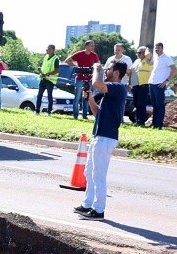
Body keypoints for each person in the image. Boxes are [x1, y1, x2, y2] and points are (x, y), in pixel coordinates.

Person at [73, 62, 129, 221]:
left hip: (106, 138)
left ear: (116, 73)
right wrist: (90, 98)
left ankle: (98, 210)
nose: (106, 71)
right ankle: (87, 204)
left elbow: (97, 83)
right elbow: (98, 113)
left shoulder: (118, 88)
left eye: (109, 69)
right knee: (89, 172)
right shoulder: (110, 92)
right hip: (99, 136)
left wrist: (97, 68)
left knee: (98, 175)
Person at [67, 41, 100, 120]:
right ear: (86, 46)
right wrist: (77, 67)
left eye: (93, 45)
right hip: (79, 78)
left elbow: (98, 64)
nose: (93, 47)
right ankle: (75, 115)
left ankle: (85, 116)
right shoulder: (79, 53)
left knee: (87, 97)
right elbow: (68, 60)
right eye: (91, 45)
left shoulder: (94, 55)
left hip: (89, 78)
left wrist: (95, 68)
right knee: (77, 96)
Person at [149, 42, 176, 129]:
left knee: (160, 105)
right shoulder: (155, 58)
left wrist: (166, 81)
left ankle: (159, 124)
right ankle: (154, 123)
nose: (157, 49)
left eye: (158, 48)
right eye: (155, 48)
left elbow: (174, 70)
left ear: (162, 48)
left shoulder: (167, 58)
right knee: (154, 105)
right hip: (152, 83)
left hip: (160, 84)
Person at [130, 46, 156, 126]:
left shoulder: (148, 60)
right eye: (137, 52)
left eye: (139, 52)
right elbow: (130, 71)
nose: (137, 54)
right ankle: (138, 120)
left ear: (144, 53)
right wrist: (129, 83)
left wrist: (147, 49)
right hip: (135, 85)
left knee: (141, 104)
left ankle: (141, 121)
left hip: (144, 85)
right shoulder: (137, 61)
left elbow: (148, 55)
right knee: (136, 104)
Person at [36, 44, 62, 114]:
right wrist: (40, 70)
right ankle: (37, 111)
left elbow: (57, 70)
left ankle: (49, 112)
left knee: (49, 96)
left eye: (48, 48)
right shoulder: (45, 57)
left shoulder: (55, 58)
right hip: (43, 79)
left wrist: (47, 74)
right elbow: (44, 67)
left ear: (52, 50)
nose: (47, 50)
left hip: (50, 80)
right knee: (39, 95)